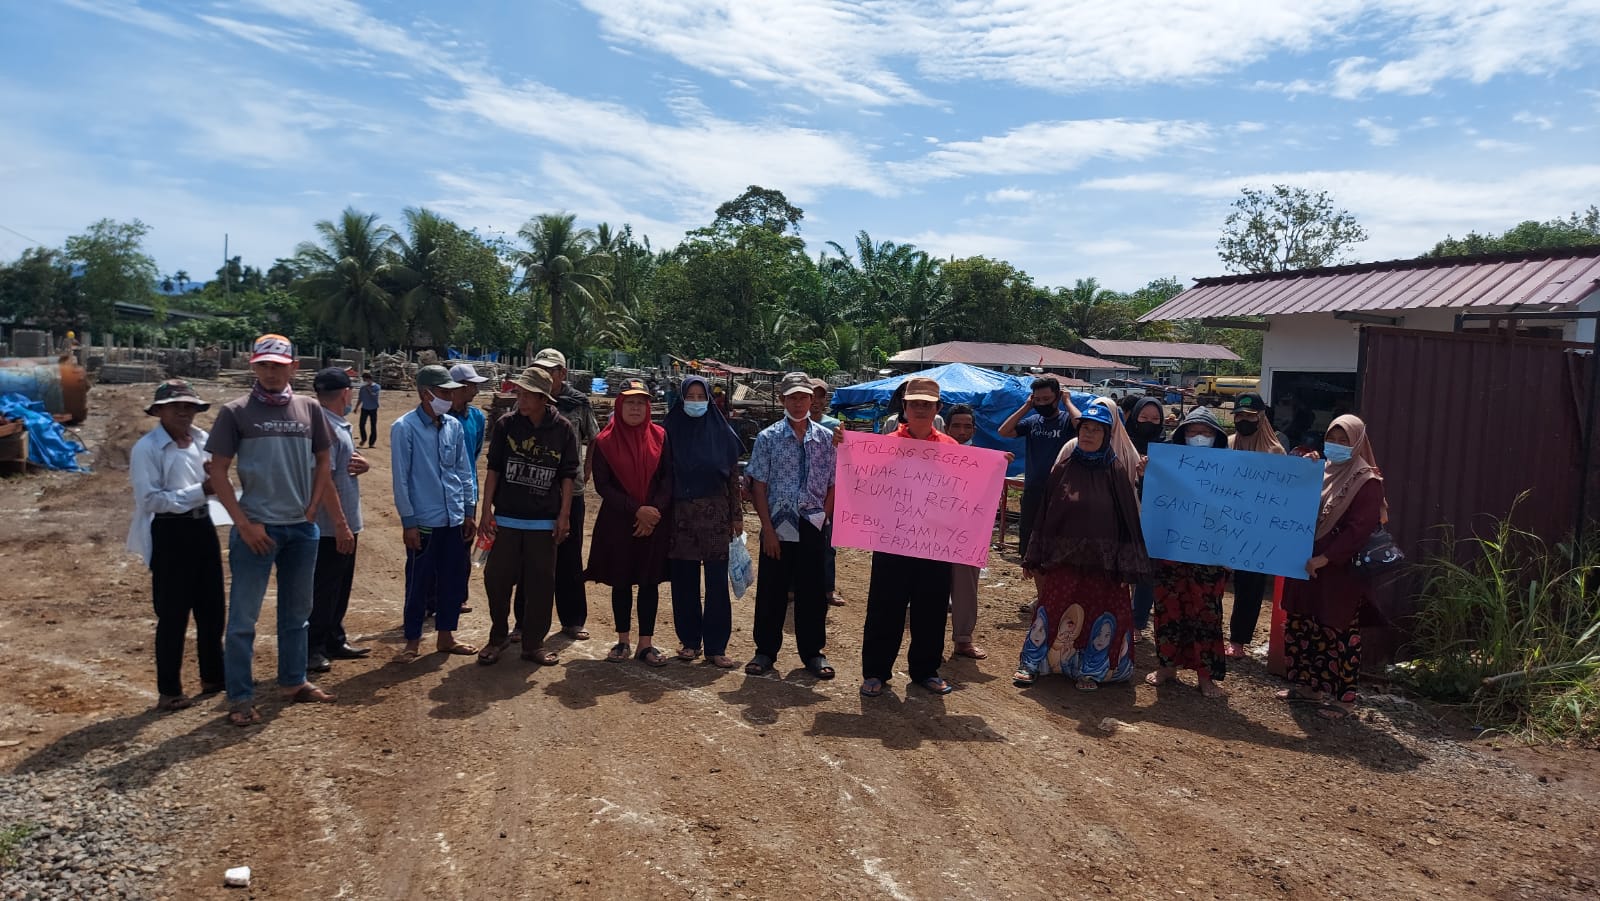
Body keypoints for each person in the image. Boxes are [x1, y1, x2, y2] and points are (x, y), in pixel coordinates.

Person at [206, 335, 343, 726]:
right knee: (243, 621)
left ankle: (292, 681)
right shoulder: (235, 412)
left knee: (297, 614)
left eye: (278, 366)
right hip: (257, 531)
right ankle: (240, 697)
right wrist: (243, 524)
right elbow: (217, 471)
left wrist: (313, 508)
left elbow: (323, 461)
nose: (270, 373)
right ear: (253, 366)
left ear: (293, 368)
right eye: (263, 365)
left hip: (301, 530)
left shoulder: (309, 409)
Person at [1013, 403, 1148, 690]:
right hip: (1064, 558)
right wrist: (1035, 555)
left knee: (1100, 613)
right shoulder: (1063, 467)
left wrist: (1126, 564)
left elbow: (1128, 519)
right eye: (1085, 428)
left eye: (1096, 429)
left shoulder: (1116, 470)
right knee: (1052, 606)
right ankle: (1034, 663)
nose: (1089, 434)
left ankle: (1093, 669)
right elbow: (1045, 514)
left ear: (1106, 434)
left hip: (1103, 562)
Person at [1277, 414, 1387, 721]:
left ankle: (1344, 698)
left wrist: (1325, 559)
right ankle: (1308, 686)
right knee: (1302, 625)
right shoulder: (1319, 471)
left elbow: (1359, 529)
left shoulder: (1367, 481)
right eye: (1332, 440)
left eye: (1344, 441)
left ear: (1358, 444)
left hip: (1339, 572)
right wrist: (1302, 466)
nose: (1336, 446)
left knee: (1336, 630)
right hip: (1305, 564)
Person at [127, 380, 224, 712]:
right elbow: (151, 500)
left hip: (201, 525)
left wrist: (211, 485)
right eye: (176, 406)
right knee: (173, 613)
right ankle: (169, 689)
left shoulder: (202, 440)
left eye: (190, 406)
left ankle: (213, 675)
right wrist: (203, 489)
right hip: (170, 532)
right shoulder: (148, 448)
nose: (184, 412)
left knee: (212, 607)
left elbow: (214, 477)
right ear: (158, 411)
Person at [859, 376, 960, 697]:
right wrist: (846, 451)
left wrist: (996, 468)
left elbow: (966, 492)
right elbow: (862, 483)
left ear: (937, 409)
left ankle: (926, 670)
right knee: (884, 607)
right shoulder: (883, 446)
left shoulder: (951, 449)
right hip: (892, 541)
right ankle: (875, 672)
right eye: (914, 403)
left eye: (926, 404)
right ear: (903, 407)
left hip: (935, 543)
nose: (920, 409)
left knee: (931, 608)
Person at [475, 366, 578, 666]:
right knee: (496, 578)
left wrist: (564, 515)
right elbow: (493, 468)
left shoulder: (563, 430)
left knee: (541, 585)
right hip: (506, 519)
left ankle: (533, 644)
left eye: (528, 393)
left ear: (543, 398)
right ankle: (497, 636)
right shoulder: (506, 425)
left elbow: (568, 475)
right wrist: (486, 510)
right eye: (520, 391)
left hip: (543, 521)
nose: (521, 397)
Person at [745, 371, 836, 679]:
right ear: (783, 399)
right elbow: (758, 485)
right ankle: (765, 651)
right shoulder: (769, 438)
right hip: (778, 524)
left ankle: (813, 653)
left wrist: (823, 517)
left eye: (804, 397)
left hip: (812, 522)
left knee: (813, 590)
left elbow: (834, 483)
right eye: (792, 397)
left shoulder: (825, 439)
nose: (798, 403)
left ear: (813, 400)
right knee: (773, 587)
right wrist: (767, 530)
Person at [392, 364, 478, 662]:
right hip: (425, 520)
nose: (448, 397)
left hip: (453, 517)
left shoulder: (452, 426)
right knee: (419, 581)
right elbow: (401, 479)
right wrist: (408, 521)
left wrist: (468, 509)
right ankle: (412, 640)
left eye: (450, 392)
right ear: (424, 393)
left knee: (453, 579)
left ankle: (446, 635)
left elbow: (463, 470)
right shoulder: (405, 428)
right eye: (443, 392)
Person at [1146, 407, 1233, 698]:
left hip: (1210, 556)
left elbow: (1244, 513)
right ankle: (1166, 666)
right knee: (1168, 610)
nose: (1199, 437)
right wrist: (1144, 475)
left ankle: (1206, 677)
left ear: (1217, 437)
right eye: (1193, 432)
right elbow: (1152, 503)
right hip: (1171, 551)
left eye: (1206, 432)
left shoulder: (1231, 470)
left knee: (1206, 615)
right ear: (1181, 435)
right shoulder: (1166, 466)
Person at [587, 378, 673, 666]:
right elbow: (603, 485)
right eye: (630, 402)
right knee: (621, 582)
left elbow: (667, 479)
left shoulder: (661, 437)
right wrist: (637, 510)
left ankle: (645, 644)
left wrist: (653, 512)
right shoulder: (604, 442)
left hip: (653, 522)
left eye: (641, 402)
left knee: (649, 583)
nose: (635, 408)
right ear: (620, 405)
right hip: (619, 522)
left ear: (648, 407)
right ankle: (622, 640)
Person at [519, 348, 600, 644]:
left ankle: (573, 619)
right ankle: (522, 621)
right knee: (530, 556)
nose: (544, 373)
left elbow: (594, 437)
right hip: (535, 488)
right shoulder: (527, 401)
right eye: (539, 368)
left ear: (562, 374)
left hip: (572, 489)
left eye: (550, 370)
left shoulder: (578, 403)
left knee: (569, 555)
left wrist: (586, 469)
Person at [664, 376, 745, 668]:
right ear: (682, 398)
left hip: (716, 519)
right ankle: (689, 641)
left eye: (701, 396)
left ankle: (715, 646)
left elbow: (733, 478)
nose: (696, 402)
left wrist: (737, 517)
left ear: (709, 399)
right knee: (684, 583)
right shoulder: (668, 432)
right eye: (691, 396)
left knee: (716, 586)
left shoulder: (722, 433)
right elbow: (661, 477)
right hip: (680, 519)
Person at [306, 368, 371, 674]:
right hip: (330, 526)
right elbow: (325, 479)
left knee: (340, 585)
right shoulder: (324, 428)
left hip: (343, 523)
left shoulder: (336, 424)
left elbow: (346, 466)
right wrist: (341, 524)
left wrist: (364, 464)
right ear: (346, 393)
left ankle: (334, 639)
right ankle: (314, 647)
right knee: (325, 587)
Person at [942, 404, 1012, 661]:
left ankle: (963, 640)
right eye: (957, 426)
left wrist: (999, 466)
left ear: (974, 429)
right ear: (947, 427)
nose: (962, 431)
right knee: (932, 588)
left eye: (967, 426)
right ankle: (929, 641)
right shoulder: (932, 455)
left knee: (965, 589)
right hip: (931, 534)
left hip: (968, 534)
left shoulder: (985, 459)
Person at [1225, 393, 1286, 658]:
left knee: (1249, 587)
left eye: (1250, 416)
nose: (1244, 420)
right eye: (1239, 415)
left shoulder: (1275, 452)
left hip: (1257, 531)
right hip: (1225, 526)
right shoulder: (1227, 445)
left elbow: (1286, 493)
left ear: (1261, 418)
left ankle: (1238, 642)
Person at [999, 377, 1076, 559]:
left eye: (1047, 399)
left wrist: (1068, 401)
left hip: (1060, 490)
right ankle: (1030, 564)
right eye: (1038, 399)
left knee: (1056, 532)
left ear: (1057, 397)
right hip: (1033, 487)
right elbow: (1004, 431)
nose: (1042, 403)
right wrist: (1026, 407)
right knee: (1029, 531)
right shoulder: (1033, 421)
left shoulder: (1066, 421)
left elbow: (1081, 424)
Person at [1124, 397, 1166, 639]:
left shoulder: (1168, 449)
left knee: (1147, 572)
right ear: (1135, 416)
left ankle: (1138, 622)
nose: (1149, 423)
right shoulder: (1122, 443)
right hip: (1124, 513)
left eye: (1155, 419)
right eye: (1144, 417)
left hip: (1155, 519)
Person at [807, 377, 846, 606]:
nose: (816, 401)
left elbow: (844, 457)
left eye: (820, 396)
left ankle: (827, 589)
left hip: (828, 491)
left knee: (827, 543)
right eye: (812, 396)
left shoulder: (834, 426)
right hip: (803, 491)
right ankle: (793, 588)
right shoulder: (792, 423)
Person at [357, 371, 381, 448]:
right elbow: (360, 398)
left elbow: (374, 396)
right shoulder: (362, 388)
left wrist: (369, 390)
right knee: (361, 424)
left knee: (373, 426)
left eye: (365, 379)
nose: (364, 381)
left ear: (369, 379)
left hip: (373, 408)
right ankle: (364, 439)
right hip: (364, 408)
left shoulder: (376, 387)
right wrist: (356, 407)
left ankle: (372, 443)